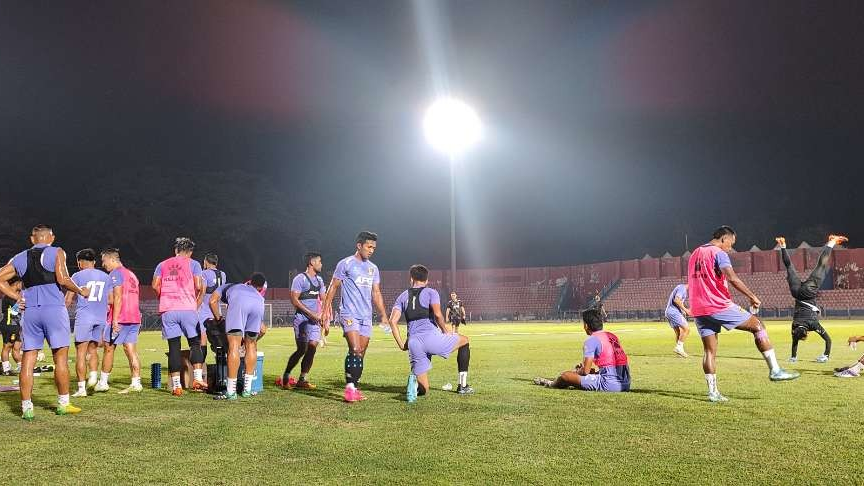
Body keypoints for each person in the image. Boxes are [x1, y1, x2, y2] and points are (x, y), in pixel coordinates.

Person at [688, 226, 799, 403]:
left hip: (698, 308)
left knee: (709, 351)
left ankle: (713, 393)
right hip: (717, 304)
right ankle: (775, 370)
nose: (730, 248)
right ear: (724, 239)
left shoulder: (695, 252)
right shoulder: (718, 253)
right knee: (758, 326)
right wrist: (752, 297)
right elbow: (732, 277)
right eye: (731, 244)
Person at [0, 224, 90, 420]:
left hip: (31, 312)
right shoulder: (57, 252)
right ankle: (63, 404)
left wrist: (16, 297)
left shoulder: (19, 257)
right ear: (51, 238)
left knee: (28, 359)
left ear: (32, 239)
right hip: (54, 311)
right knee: (60, 359)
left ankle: (26, 408)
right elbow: (64, 279)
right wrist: (81, 291)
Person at [321, 231, 391, 402]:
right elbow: (333, 286)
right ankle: (350, 389)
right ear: (359, 246)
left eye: (374, 247)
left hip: (366, 316)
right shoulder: (345, 264)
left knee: (361, 353)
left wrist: (383, 315)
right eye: (369, 246)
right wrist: (325, 311)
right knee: (355, 349)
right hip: (348, 313)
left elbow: (376, 292)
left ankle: (354, 386)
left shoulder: (373, 268)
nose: (372, 250)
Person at [388, 265, 473, 402]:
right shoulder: (431, 292)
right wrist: (446, 331)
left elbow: (392, 321)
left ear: (411, 279)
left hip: (414, 342)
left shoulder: (402, 296)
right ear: (427, 280)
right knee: (465, 341)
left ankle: (415, 387)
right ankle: (462, 386)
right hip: (432, 338)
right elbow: (438, 315)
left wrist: (402, 345)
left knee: (425, 389)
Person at [777, 235, 846, 363]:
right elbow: (795, 341)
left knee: (820, 266)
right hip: (796, 292)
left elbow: (828, 339)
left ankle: (831, 242)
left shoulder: (812, 325)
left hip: (809, 293)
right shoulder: (794, 327)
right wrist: (793, 357)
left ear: (807, 333)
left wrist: (826, 356)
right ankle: (782, 245)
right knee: (789, 267)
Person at [152, 237, 206, 396]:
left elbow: (155, 285)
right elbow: (198, 285)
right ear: (190, 252)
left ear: (175, 250)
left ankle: (176, 386)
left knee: (174, 347)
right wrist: (198, 295)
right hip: (188, 308)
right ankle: (196, 379)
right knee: (195, 343)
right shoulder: (194, 264)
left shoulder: (162, 264)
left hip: (168, 310)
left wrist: (165, 297)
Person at [532, 309, 630, 392]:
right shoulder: (612, 336)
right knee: (582, 375)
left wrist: (578, 371)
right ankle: (556, 381)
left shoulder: (592, 340)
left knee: (565, 376)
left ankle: (551, 384)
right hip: (626, 383)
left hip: (610, 384)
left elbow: (585, 371)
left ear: (586, 325)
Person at [209, 273, 267, 399]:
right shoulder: (258, 294)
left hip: (240, 303)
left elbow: (212, 301)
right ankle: (247, 390)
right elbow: (263, 329)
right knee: (251, 346)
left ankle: (231, 391)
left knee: (233, 346)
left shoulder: (227, 287)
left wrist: (218, 319)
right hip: (259, 304)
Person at [66, 248, 112, 397]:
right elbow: (111, 299)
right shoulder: (106, 276)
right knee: (93, 350)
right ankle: (93, 376)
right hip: (100, 318)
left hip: (85, 317)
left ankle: (81, 389)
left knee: (80, 353)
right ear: (94, 261)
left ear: (79, 262)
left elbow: (68, 299)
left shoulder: (77, 275)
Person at [279, 252, 326, 390]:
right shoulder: (300, 279)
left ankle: (302, 379)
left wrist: (324, 315)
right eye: (319, 261)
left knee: (312, 348)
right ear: (312, 262)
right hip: (302, 320)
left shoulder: (320, 280)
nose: (321, 264)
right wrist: (311, 313)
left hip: (315, 321)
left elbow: (324, 299)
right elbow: (294, 300)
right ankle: (286, 376)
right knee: (302, 349)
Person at [100, 248, 143, 393]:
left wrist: (115, 319)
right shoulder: (131, 274)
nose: (103, 264)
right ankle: (136, 382)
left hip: (121, 317)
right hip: (134, 316)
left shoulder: (115, 273)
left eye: (104, 261)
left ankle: (103, 382)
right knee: (131, 349)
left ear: (112, 260)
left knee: (109, 348)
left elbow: (116, 297)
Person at [198, 252, 226, 364]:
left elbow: (202, 292)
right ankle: (221, 368)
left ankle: (199, 369)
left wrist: (195, 307)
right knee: (217, 340)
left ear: (206, 261)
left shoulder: (204, 273)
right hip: (216, 310)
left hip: (204, 310)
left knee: (202, 338)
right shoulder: (223, 274)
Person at [1, 277, 23, 375]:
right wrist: (20, 303)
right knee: (7, 346)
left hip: (16, 325)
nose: (22, 286)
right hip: (9, 325)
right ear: (16, 283)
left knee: (17, 347)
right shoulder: (10, 296)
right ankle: (6, 369)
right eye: (21, 283)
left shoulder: (16, 296)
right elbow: (14, 312)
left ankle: (21, 367)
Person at [664, 283, 691, 357]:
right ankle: (679, 348)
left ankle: (679, 351)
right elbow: (677, 300)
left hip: (669, 312)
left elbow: (678, 302)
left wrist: (682, 311)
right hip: (673, 312)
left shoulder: (681, 288)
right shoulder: (682, 288)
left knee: (678, 333)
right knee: (686, 329)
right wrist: (686, 310)